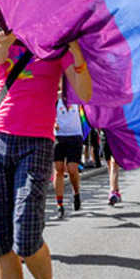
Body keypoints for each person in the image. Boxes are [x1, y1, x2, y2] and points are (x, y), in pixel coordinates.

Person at [0, 31, 92, 279]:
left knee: (27, 240)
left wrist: (75, 52)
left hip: (38, 143)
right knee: (3, 247)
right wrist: (13, 33)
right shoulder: (2, 36)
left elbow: (85, 92)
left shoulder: (59, 46)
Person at [52, 88, 84, 219]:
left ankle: (76, 193)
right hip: (59, 137)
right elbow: (47, 112)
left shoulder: (77, 96)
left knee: (72, 169)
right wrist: (53, 123)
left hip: (75, 136)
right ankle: (60, 205)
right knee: (58, 170)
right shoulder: (55, 98)